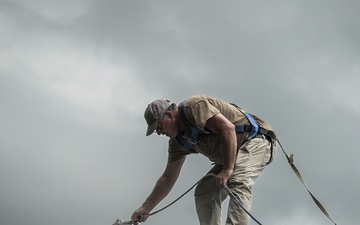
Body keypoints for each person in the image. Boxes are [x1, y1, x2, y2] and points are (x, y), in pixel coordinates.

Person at [131, 95, 276, 225]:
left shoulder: (194, 107)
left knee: (238, 181)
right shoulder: (177, 143)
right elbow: (168, 178)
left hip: (255, 140)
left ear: (169, 115)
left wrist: (227, 169)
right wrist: (146, 207)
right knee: (204, 191)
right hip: (231, 156)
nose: (159, 132)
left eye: (159, 127)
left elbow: (228, 128)